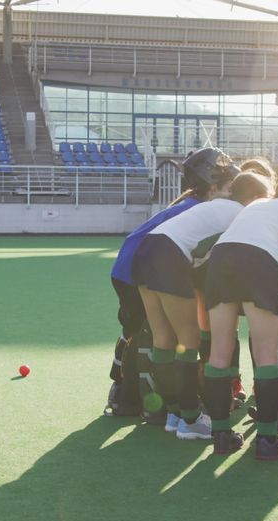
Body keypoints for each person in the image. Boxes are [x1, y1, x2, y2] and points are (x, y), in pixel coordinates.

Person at [132, 170, 269, 440]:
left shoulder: (215, 204)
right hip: (169, 256)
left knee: (164, 339)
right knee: (189, 341)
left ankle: (175, 414)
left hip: (146, 251)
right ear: (253, 198)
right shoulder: (242, 214)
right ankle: (191, 418)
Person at [106, 148, 227, 419]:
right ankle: (132, 400)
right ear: (214, 182)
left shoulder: (191, 204)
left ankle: (132, 399)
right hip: (136, 271)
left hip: (132, 267)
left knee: (141, 332)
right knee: (148, 334)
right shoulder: (202, 209)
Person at [202, 171, 278, 459]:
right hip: (255, 261)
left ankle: (221, 436)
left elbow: (249, 243)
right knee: (267, 355)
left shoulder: (257, 205)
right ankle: (267, 439)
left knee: (219, 352)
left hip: (220, 259)